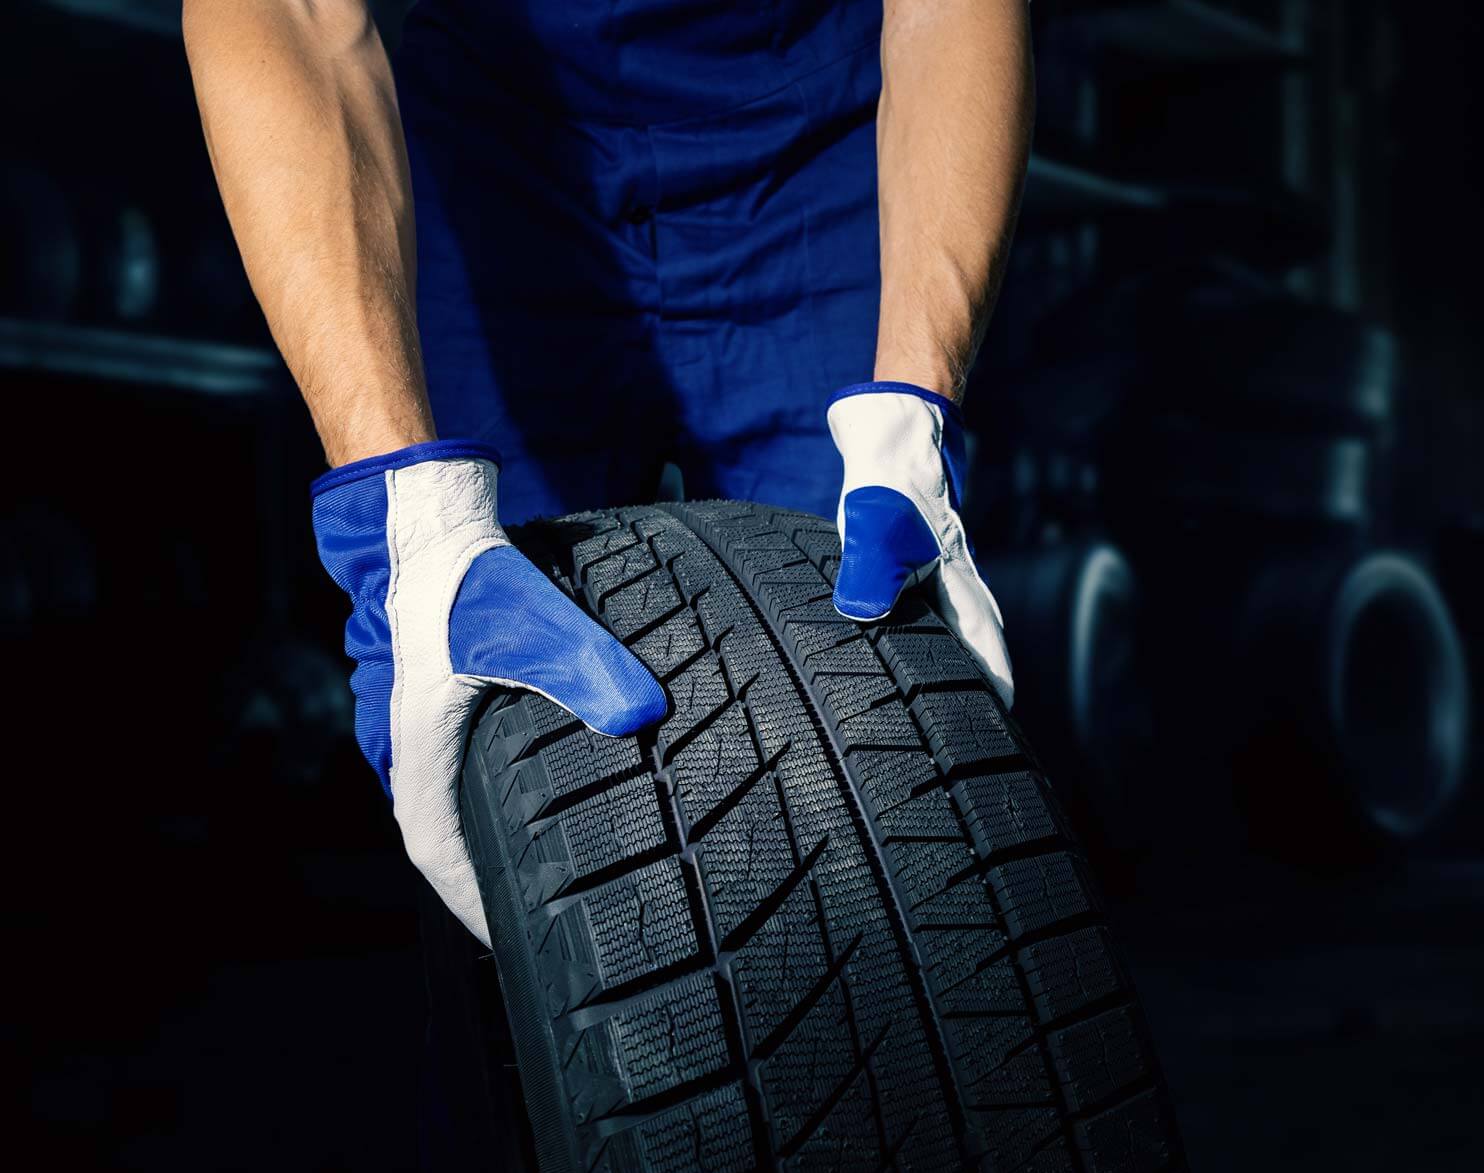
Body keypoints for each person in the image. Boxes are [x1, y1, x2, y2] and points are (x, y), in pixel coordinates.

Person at [183, 0, 1028, 942]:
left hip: (811, 149)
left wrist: (915, 407)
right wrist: (405, 520)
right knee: (507, 767)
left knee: (890, 757)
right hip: (493, 162)